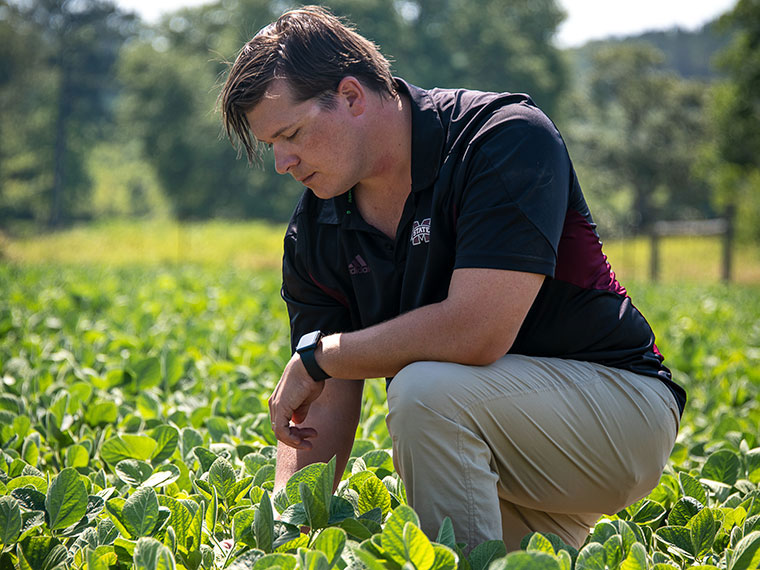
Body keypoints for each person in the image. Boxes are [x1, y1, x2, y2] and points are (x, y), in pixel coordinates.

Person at [219, 5, 685, 551]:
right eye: (270, 145)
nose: (281, 163)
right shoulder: (318, 226)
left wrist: (321, 356)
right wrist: (282, 538)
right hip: (507, 451)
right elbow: (320, 409)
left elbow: (477, 332)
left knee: (425, 393)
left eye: (291, 134)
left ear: (350, 96)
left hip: (618, 411)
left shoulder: (501, 139)